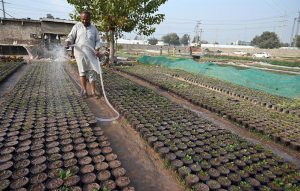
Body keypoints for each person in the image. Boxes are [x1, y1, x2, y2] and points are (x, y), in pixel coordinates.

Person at [65, 10, 104, 98]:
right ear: (80, 18)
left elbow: (98, 40)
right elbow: (71, 37)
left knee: (92, 72)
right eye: (83, 19)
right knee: (82, 72)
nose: (84, 21)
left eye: (86, 19)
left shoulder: (94, 28)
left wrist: (97, 48)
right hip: (80, 54)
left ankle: (93, 92)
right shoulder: (77, 26)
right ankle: (85, 91)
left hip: (91, 53)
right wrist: (68, 42)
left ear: (90, 19)